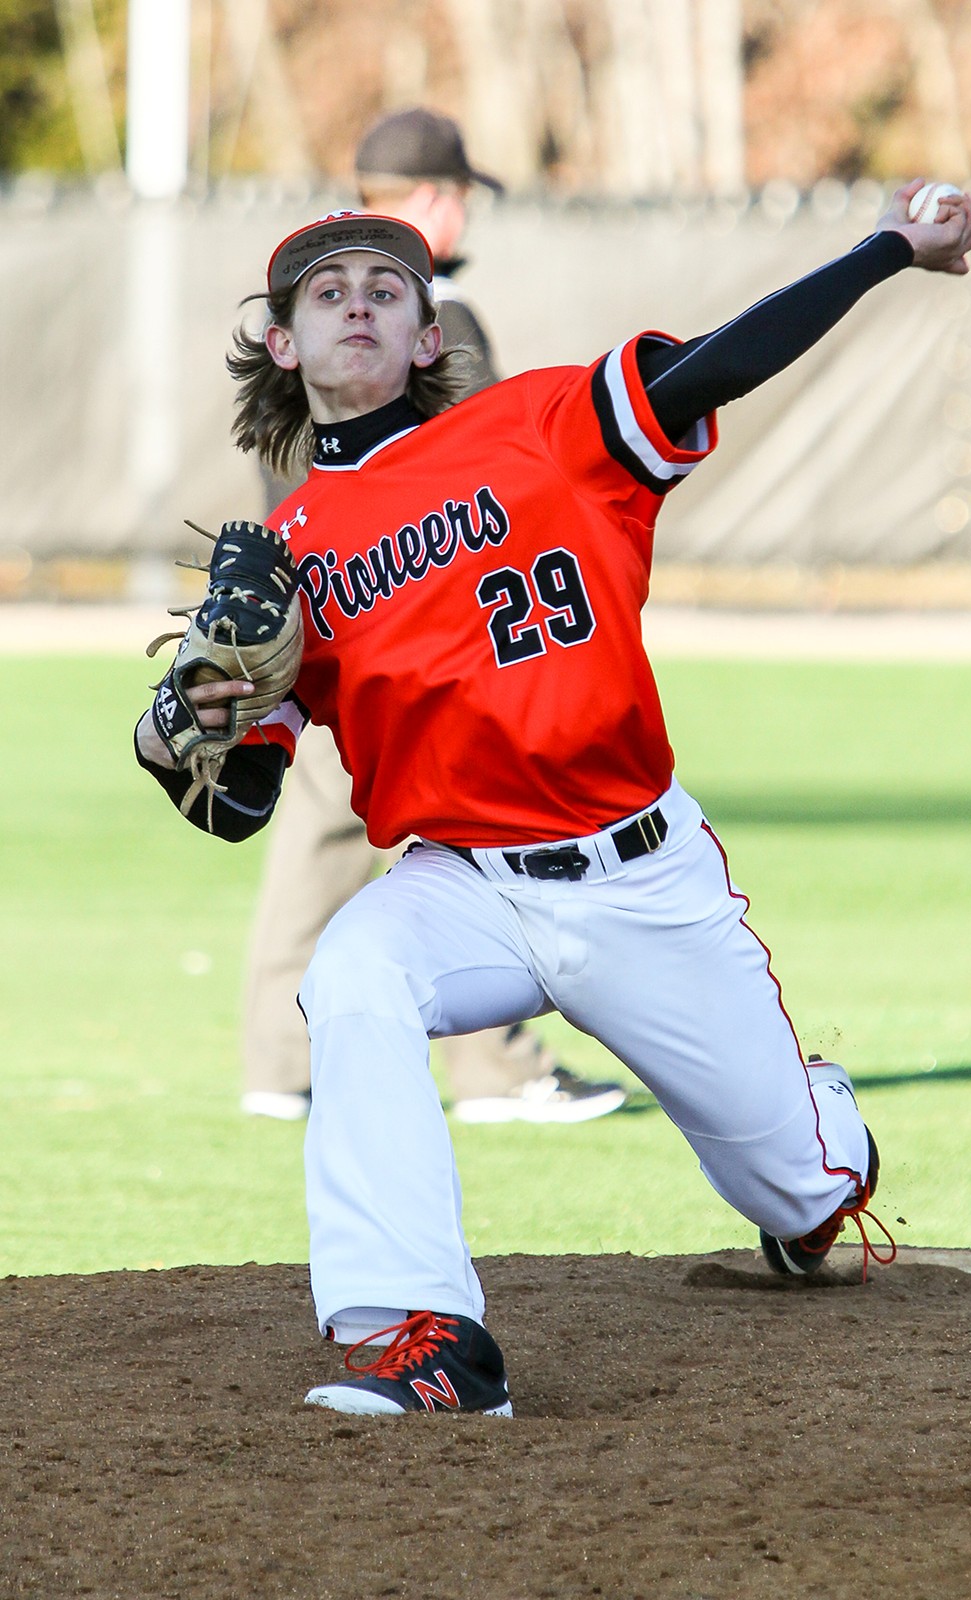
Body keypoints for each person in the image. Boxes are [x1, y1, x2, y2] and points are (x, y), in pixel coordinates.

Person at [135, 179, 971, 1417]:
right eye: (327, 294)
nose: (358, 305)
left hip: (639, 879)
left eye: (386, 289)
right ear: (282, 342)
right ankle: (425, 1336)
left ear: (428, 334)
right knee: (355, 968)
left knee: (801, 1194)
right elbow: (239, 806)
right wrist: (178, 733)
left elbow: (715, 364)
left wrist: (887, 249)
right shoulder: (288, 561)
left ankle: (823, 1137)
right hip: (463, 885)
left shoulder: (539, 423)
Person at [242, 106, 626, 1126]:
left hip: (308, 609)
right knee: (461, 833)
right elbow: (486, 480)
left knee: (318, 836)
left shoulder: (310, 304)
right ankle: (494, 1067)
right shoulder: (427, 317)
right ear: (432, 198)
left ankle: (277, 1059)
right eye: (458, 194)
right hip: (410, 622)